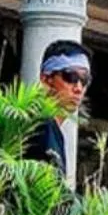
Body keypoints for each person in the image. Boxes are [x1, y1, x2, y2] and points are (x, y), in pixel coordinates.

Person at [31, 38, 92, 173]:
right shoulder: (39, 125)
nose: (78, 88)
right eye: (71, 77)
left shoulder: (52, 129)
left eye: (84, 80)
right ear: (46, 79)